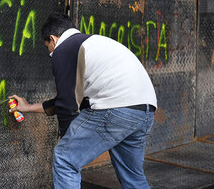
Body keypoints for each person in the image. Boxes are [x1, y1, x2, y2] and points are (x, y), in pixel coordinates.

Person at [9, 13, 157, 189]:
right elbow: (70, 99)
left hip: (116, 108)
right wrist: (27, 107)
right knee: (133, 177)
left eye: (47, 46)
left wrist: (67, 140)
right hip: (144, 111)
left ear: (53, 39)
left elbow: (67, 104)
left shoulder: (63, 49)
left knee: (65, 159)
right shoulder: (92, 43)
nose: (49, 52)